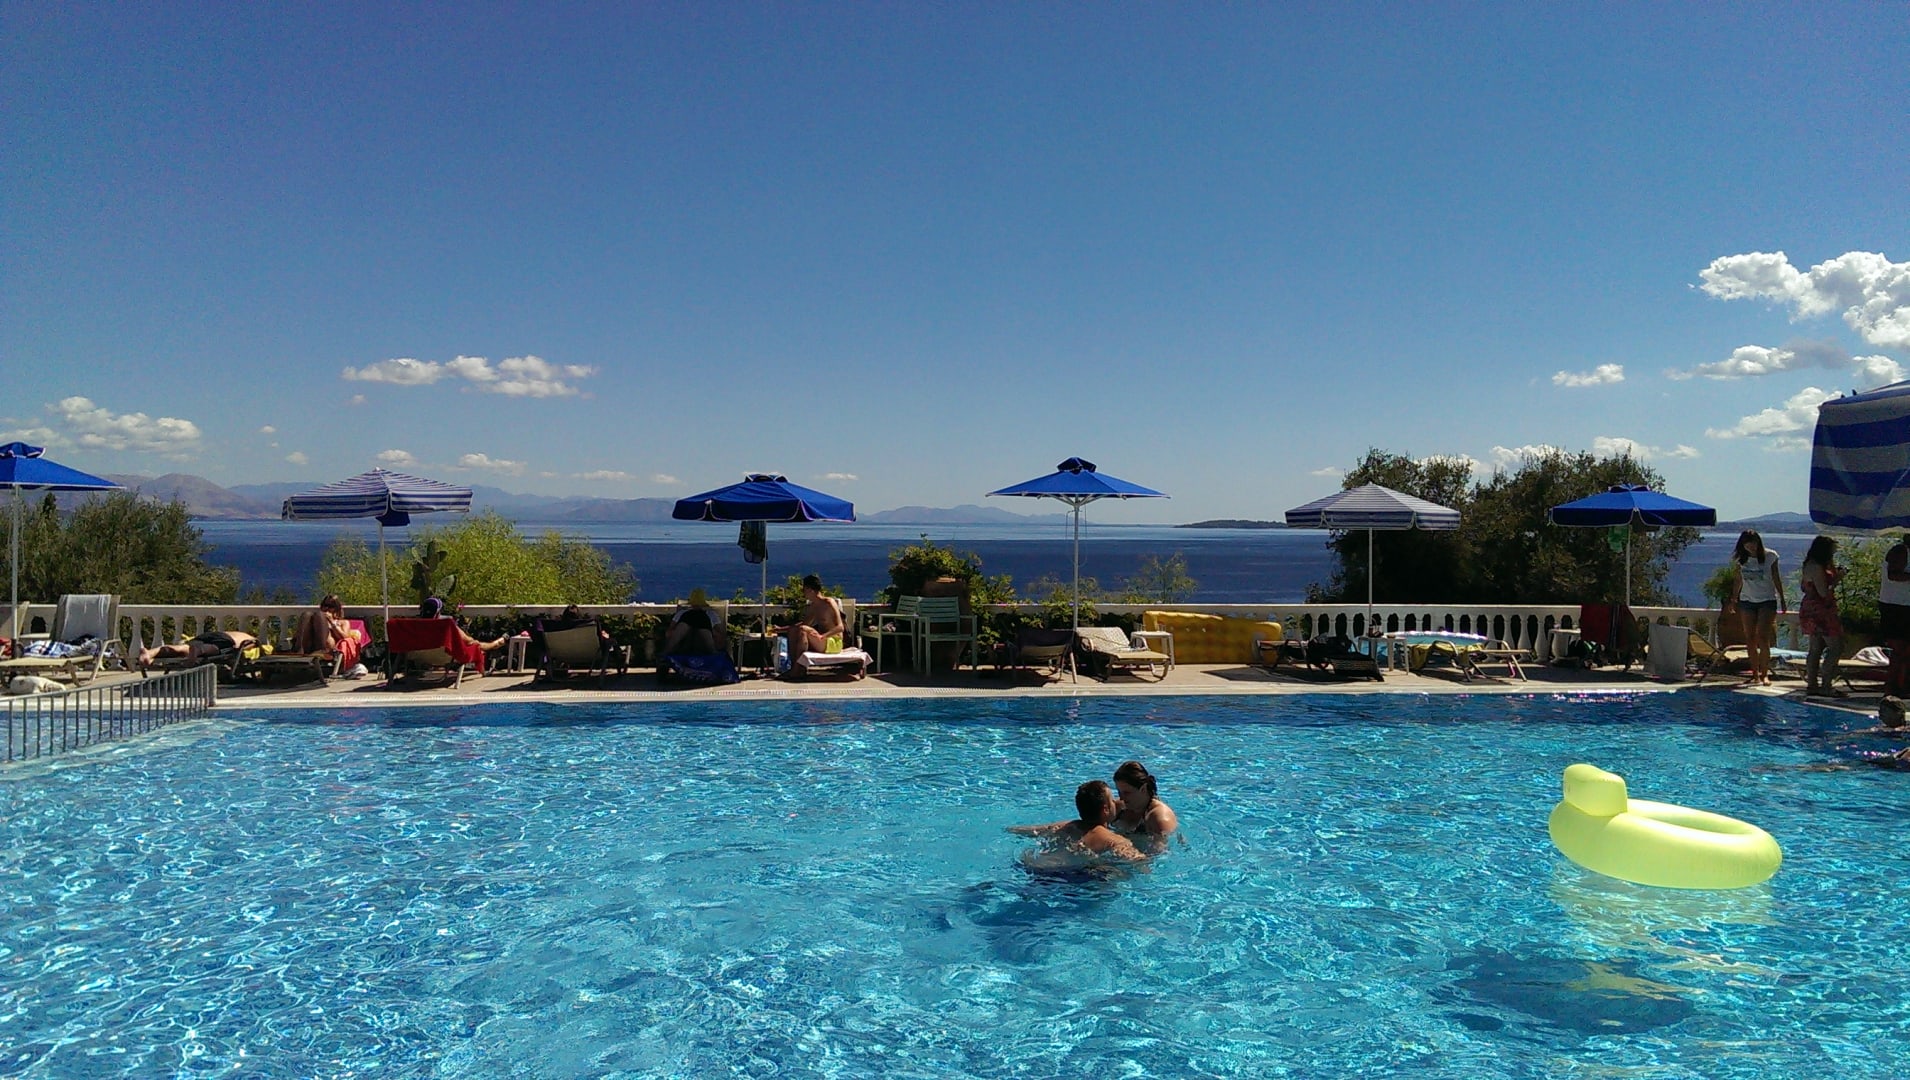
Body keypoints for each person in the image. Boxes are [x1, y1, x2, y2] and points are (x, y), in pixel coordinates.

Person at [1007, 780, 1146, 862]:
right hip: (1078, 880)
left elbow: (1020, 831)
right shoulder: (1115, 840)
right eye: (1112, 800)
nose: (1116, 802)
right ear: (1105, 809)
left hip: (1041, 871)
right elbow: (1139, 862)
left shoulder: (1065, 826)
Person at [1731, 529, 1786, 686]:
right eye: (1747, 544)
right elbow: (1738, 580)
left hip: (1767, 600)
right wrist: (1734, 598)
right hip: (1747, 601)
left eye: (1753, 543)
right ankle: (1754, 673)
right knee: (1750, 638)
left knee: (1763, 636)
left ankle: (1764, 674)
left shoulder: (1770, 556)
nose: (1751, 547)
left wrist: (1782, 598)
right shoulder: (1741, 560)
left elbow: (1776, 577)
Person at [1799, 537, 1847, 698]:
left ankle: (1812, 684)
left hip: (1811, 609)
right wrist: (1838, 578)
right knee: (1836, 647)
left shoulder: (1811, 564)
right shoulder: (1817, 567)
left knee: (1816, 648)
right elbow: (1823, 592)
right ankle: (1826, 684)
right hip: (1821, 611)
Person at [1110, 760, 1180, 851]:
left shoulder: (1160, 819)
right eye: (1119, 792)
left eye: (1126, 793)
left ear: (1143, 789)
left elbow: (1160, 854)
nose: (1121, 798)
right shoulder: (1119, 808)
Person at [775, 574, 844, 663]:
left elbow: (840, 627)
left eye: (804, 590)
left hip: (834, 641)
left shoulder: (829, 603)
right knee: (793, 631)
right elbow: (804, 624)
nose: (803, 593)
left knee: (803, 630)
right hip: (822, 640)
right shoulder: (813, 606)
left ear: (810, 590)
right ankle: (795, 665)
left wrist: (823, 636)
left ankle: (797, 668)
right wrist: (781, 629)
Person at [293, 594, 366, 673]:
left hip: (328, 650)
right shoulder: (315, 619)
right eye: (325, 605)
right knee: (306, 614)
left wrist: (331, 623)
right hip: (310, 647)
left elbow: (344, 637)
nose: (327, 609)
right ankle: (299, 649)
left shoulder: (343, 622)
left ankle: (321, 649)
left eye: (331, 606)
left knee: (319, 615)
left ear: (337, 608)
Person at [418, 596, 508, 653]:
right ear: (438, 612)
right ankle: (496, 643)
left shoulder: (415, 626)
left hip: (420, 655)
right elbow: (468, 641)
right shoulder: (447, 624)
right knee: (476, 645)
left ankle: (497, 643)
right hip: (446, 655)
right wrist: (472, 640)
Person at [137, 628, 256, 670]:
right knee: (211, 648)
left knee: (183, 648)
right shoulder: (252, 640)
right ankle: (196, 652)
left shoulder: (239, 632)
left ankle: (150, 653)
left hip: (211, 635)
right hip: (227, 640)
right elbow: (243, 647)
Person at [1881, 533, 1910, 699]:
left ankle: (1902, 685)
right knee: (1899, 649)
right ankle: (1892, 688)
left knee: (1905, 651)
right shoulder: (1900, 551)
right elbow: (1893, 575)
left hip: (1904, 606)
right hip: (1896, 607)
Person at [663, 588, 727, 656]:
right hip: (684, 644)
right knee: (685, 625)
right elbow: (668, 633)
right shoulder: (682, 613)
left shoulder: (711, 614)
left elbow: (720, 636)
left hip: (704, 645)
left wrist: (708, 629)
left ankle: (665, 653)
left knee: (700, 621)